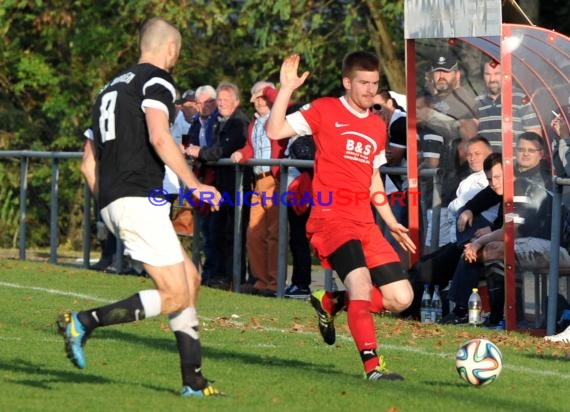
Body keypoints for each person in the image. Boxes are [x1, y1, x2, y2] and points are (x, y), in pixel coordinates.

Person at [57, 17, 222, 397]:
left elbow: (87, 164)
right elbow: (160, 136)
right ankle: (83, 322)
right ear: (171, 50)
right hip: (137, 198)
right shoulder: (158, 80)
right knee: (176, 293)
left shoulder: (108, 90)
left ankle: (193, 381)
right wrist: (194, 184)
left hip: (119, 199)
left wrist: (111, 205)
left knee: (190, 279)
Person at [267, 52, 416, 380]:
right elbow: (275, 130)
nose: (369, 90)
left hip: (365, 222)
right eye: (363, 83)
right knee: (361, 283)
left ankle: (332, 302)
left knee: (401, 297)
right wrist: (287, 89)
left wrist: (390, 221)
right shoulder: (325, 109)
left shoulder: (377, 127)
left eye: (375, 84)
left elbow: (374, 177)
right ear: (347, 82)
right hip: (331, 217)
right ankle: (373, 367)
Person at [187, 82, 249, 289]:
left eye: (224, 100)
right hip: (220, 186)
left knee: (233, 232)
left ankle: (233, 277)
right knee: (216, 232)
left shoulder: (239, 122)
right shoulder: (219, 122)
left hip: (235, 186)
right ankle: (217, 274)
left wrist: (200, 152)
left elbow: (223, 149)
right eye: (219, 100)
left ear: (236, 102)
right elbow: (215, 148)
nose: (221, 104)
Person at [230, 81, 288, 297]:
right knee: (254, 233)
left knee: (275, 234)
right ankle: (261, 281)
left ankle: (274, 283)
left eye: (263, 98)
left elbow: (287, 101)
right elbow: (251, 147)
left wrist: (268, 91)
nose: (259, 102)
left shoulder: (279, 115)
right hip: (258, 181)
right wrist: (242, 154)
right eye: (257, 98)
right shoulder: (254, 122)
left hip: (275, 181)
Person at [184, 85, 218, 283]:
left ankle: (215, 273)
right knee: (205, 228)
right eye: (201, 103)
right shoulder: (196, 122)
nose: (205, 106)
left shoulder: (218, 121)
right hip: (201, 177)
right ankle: (207, 272)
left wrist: (200, 152)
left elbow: (218, 148)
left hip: (217, 178)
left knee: (217, 229)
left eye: (209, 102)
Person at [475, 58, 541, 152]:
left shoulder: (520, 98)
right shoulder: (478, 102)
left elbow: (535, 136)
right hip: (486, 164)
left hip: (513, 165)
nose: (492, 79)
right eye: (487, 74)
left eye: (497, 74)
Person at [372, 90, 408, 255]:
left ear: (391, 104)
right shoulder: (390, 123)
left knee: (393, 236)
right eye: (371, 108)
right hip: (392, 187)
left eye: (378, 106)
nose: (375, 111)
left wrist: (382, 129)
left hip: (404, 188)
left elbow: (391, 159)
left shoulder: (399, 123)